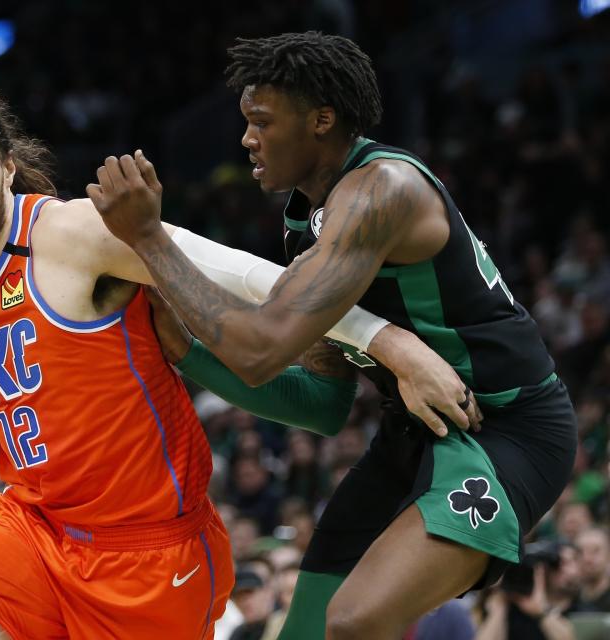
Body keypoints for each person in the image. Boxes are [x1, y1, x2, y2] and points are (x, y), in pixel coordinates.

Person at [0, 87, 473, 639]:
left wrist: (392, 345)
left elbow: (255, 280)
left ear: (6, 169)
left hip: (154, 552)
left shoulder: (76, 234)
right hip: (32, 533)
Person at [88, 31, 577, 640]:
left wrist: (150, 239)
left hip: (506, 430)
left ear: (321, 120)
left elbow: (260, 349)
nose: (246, 138)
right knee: (307, 632)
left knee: (353, 621)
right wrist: (186, 351)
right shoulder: (306, 220)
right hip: (413, 435)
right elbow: (322, 406)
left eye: (261, 121)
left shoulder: (382, 192)